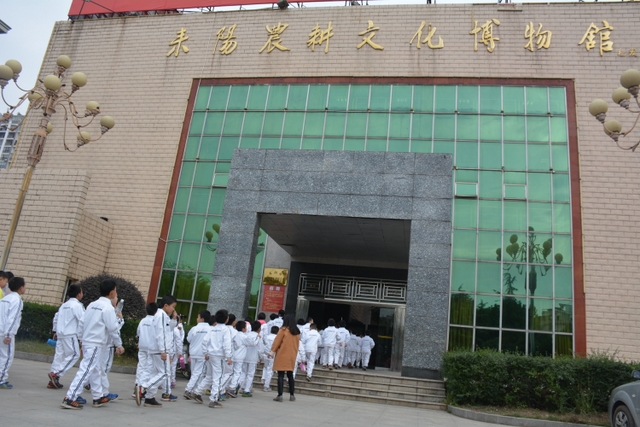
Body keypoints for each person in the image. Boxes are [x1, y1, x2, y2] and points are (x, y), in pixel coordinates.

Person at [61, 279, 123, 409]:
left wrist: (81, 339)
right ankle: (70, 397)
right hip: (95, 343)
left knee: (95, 369)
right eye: (115, 291)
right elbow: (113, 328)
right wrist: (119, 344)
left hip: (88, 341)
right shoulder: (107, 308)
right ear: (112, 292)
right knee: (86, 370)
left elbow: (81, 323)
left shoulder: (92, 304)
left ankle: (97, 397)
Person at [136, 295, 177, 407]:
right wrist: (163, 350)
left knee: (153, 372)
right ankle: (144, 387)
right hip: (159, 350)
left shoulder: (159, 315)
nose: (173, 309)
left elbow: (167, 330)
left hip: (154, 349)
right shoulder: (161, 315)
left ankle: (150, 397)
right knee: (165, 373)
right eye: (173, 306)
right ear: (166, 305)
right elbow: (161, 333)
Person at [48, 284, 84, 390]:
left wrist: (55, 330)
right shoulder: (77, 306)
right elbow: (83, 321)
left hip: (60, 334)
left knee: (59, 356)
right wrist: (82, 338)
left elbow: (56, 317)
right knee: (74, 355)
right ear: (78, 294)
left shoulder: (64, 305)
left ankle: (53, 380)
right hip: (70, 334)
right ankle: (56, 374)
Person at [193, 309, 232, 408]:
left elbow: (204, 341)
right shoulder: (225, 329)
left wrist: (205, 352)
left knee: (209, 376)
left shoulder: (212, 328)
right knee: (217, 377)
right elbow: (227, 344)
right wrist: (228, 356)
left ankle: (198, 392)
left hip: (210, 355)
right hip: (219, 356)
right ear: (226, 319)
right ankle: (213, 399)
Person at [0, 276, 25, 389]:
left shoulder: (5, 299)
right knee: (7, 357)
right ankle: (1, 379)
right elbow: (13, 318)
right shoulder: (17, 300)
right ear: (20, 288)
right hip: (6, 332)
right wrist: (9, 334)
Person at [270, 314, 301, 402]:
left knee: (280, 375)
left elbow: (277, 342)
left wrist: (272, 351)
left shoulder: (283, 330)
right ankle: (292, 395)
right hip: (292, 355)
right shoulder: (296, 332)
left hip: (282, 354)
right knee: (290, 375)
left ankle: (280, 395)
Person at [183, 309, 210, 400]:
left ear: (202, 319)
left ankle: (194, 390)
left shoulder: (194, 328)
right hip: (203, 354)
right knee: (199, 373)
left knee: (195, 373)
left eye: (198, 317)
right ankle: (189, 390)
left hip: (193, 353)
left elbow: (189, 339)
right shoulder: (210, 329)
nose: (197, 318)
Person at [134, 302, 158, 398]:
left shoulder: (143, 321)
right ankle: (143, 386)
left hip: (142, 346)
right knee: (149, 368)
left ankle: (137, 385)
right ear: (156, 311)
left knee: (141, 366)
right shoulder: (155, 321)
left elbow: (138, 332)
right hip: (151, 347)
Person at [238, 320, 261, 397]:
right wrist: (260, 357)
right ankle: (246, 390)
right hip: (253, 358)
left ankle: (240, 386)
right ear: (259, 328)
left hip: (245, 356)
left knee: (243, 373)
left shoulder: (246, 335)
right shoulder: (258, 337)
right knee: (250, 374)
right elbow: (260, 349)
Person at [170, 312, 185, 388]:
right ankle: (171, 380)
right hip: (173, 350)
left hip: (167, 350)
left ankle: (168, 381)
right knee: (172, 366)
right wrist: (180, 352)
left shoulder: (167, 328)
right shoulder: (175, 330)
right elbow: (179, 341)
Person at [262, 325, 278, 391]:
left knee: (265, 367)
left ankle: (263, 378)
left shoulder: (267, 337)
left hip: (265, 354)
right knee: (270, 370)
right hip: (272, 355)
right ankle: (266, 386)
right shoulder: (277, 338)